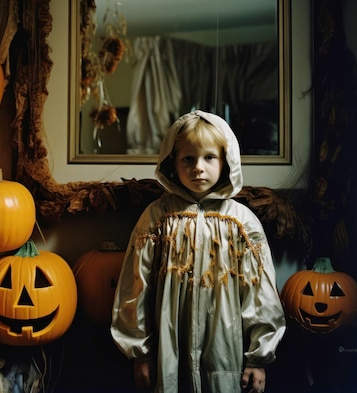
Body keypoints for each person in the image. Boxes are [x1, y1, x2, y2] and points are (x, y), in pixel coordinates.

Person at [110, 110, 285, 393]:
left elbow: (260, 293)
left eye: (209, 157)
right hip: (168, 353)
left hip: (226, 351)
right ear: (173, 163)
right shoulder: (157, 218)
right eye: (188, 159)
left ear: (225, 160)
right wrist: (140, 352)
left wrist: (258, 357)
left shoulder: (241, 223)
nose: (198, 168)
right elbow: (135, 287)